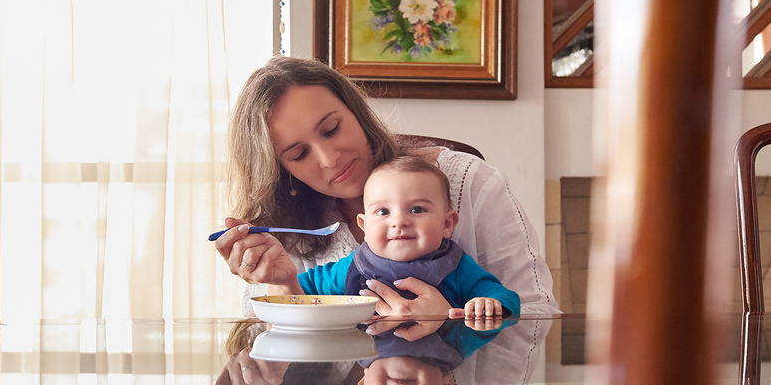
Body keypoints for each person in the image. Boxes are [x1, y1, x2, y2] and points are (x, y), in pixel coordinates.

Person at [213, 56, 558, 336]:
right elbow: (265, 344)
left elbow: (539, 314)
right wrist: (284, 284)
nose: (329, 159)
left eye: (332, 129)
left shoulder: (471, 184)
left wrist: (451, 321)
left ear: (357, 112)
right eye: (299, 154)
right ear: (281, 171)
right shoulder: (286, 228)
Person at [273, 156, 520, 320]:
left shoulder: (456, 267)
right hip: (372, 367)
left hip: (435, 369)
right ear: (365, 226)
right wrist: (286, 282)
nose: (399, 221)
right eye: (383, 212)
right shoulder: (354, 268)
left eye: (417, 210)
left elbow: (507, 298)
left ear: (447, 224)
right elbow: (303, 290)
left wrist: (488, 304)